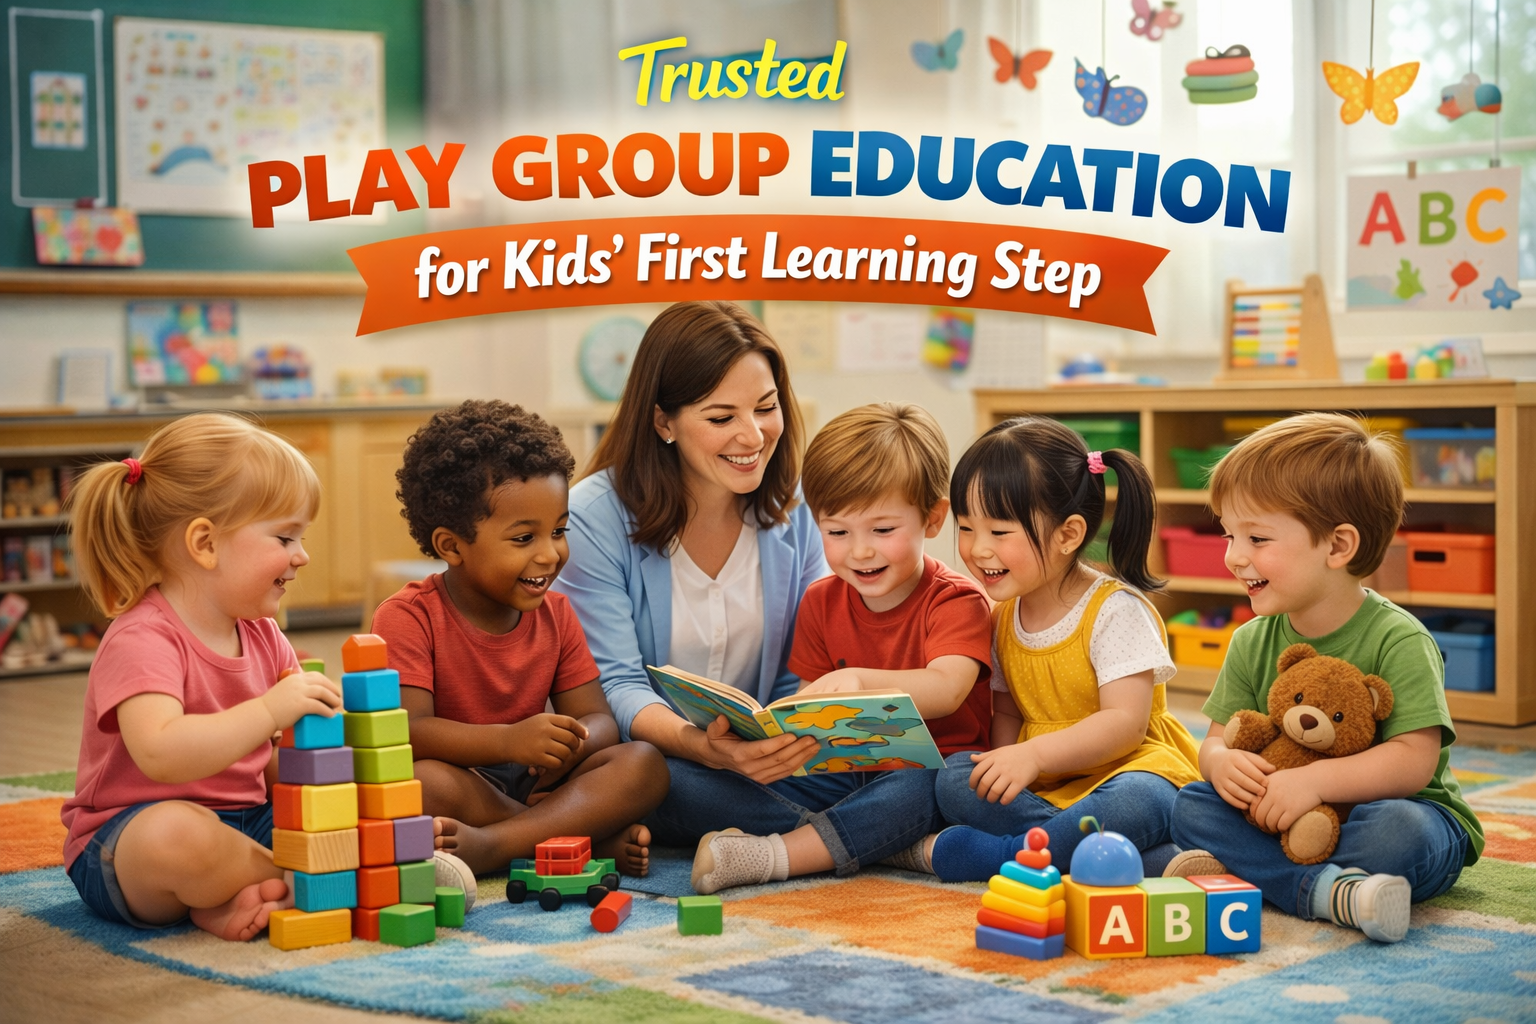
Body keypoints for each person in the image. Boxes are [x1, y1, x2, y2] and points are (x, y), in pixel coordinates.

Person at [554, 301, 941, 889]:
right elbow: (616, 687)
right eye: (720, 417)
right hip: (668, 760)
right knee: (644, 776)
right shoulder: (593, 517)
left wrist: (787, 738)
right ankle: (872, 838)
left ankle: (823, 836)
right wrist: (700, 746)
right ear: (664, 422)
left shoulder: (797, 514)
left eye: (765, 408)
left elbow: (799, 673)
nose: (751, 435)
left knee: (919, 776)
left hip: (762, 764)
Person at [1169, 414, 1483, 944]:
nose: (1233, 555)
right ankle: (1329, 892)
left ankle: (1265, 875)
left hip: (1389, 818)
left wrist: (1312, 782)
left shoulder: (1400, 640)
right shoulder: (1252, 639)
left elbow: (1413, 759)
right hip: (1285, 816)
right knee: (1190, 804)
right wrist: (1221, 764)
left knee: (1401, 833)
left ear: (1338, 547)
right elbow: (1220, 738)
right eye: (1228, 534)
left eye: (1257, 537)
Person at [691, 403, 993, 890]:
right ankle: (887, 843)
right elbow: (812, 707)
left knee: (922, 791)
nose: (860, 550)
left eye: (882, 529)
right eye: (837, 532)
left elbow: (948, 688)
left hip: (931, 776)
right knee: (678, 779)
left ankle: (773, 856)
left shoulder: (956, 599)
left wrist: (856, 682)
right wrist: (767, 740)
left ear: (933, 519)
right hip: (848, 774)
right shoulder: (820, 601)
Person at [60, 413, 336, 941]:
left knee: (328, 806)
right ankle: (304, 877)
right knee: (180, 837)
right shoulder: (141, 637)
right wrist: (271, 710)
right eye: (285, 536)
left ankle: (227, 894)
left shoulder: (263, 634)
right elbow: (162, 754)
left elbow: (284, 758)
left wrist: (333, 755)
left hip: (246, 820)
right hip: (124, 845)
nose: (302, 556)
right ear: (205, 544)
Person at [373, 400, 669, 877]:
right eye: (523, 539)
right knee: (419, 781)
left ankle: (498, 845)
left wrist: (574, 742)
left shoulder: (556, 614)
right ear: (452, 546)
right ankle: (566, 841)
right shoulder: (408, 617)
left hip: (538, 780)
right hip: (462, 779)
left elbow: (598, 718)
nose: (551, 554)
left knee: (643, 762)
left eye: (558, 530)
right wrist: (508, 741)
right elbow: (408, 733)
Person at [929, 417, 1202, 882]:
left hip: (1128, 769)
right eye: (966, 528)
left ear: (1068, 535)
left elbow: (1125, 724)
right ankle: (1125, 857)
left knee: (1143, 799)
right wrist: (1005, 764)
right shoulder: (999, 617)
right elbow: (1008, 712)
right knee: (955, 777)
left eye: (999, 532)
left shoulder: (1114, 610)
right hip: (1050, 787)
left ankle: (1012, 857)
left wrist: (1033, 757)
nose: (976, 549)